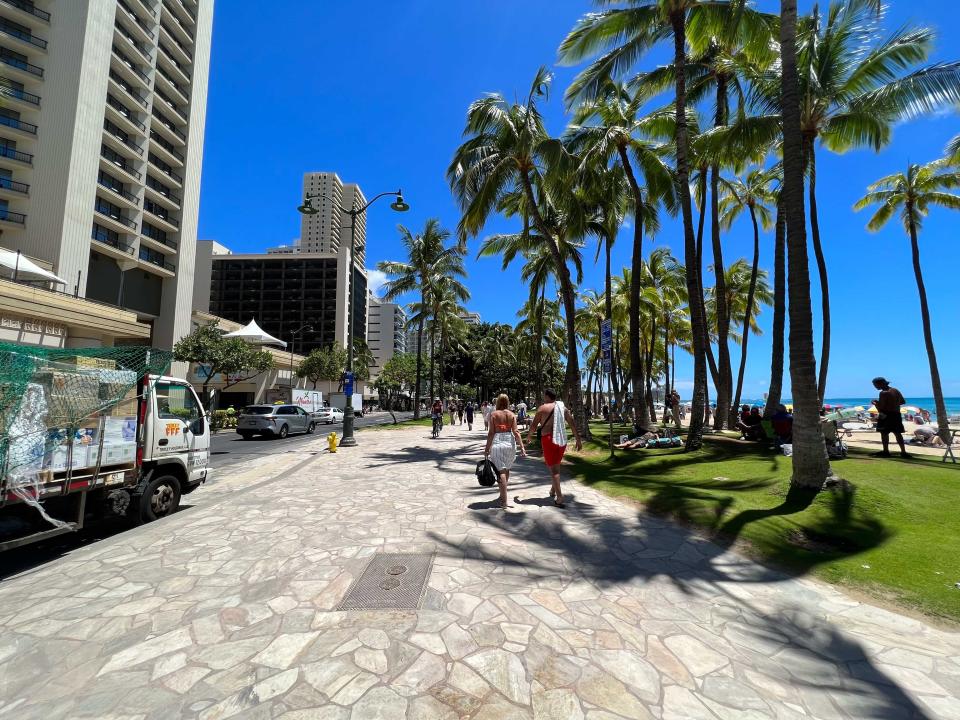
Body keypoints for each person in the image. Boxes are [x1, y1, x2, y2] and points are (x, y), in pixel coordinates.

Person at [526, 388, 583, 508]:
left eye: (544, 395)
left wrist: (529, 436)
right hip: (561, 439)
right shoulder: (563, 408)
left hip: (548, 440)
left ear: (547, 396)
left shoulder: (542, 408)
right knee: (556, 465)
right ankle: (553, 490)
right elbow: (572, 423)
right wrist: (578, 439)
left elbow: (534, 425)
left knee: (554, 470)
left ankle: (560, 497)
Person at [484, 394, 526, 509]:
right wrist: (522, 447)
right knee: (506, 469)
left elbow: (491, 433)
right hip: (510, 441)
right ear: (507, 402)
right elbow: (516, 432)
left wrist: (487, 449)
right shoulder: (512, 414)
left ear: (497, 402)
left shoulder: (494, 414)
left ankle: (504, 500)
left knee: (501, 472)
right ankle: (503, 493)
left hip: (497, 441)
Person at [872, 377, 908, 458]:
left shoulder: (883, 393)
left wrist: (876, 403)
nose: (875, 387)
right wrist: (893, 403)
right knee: (897, 433)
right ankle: (903, 452)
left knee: (884, 433)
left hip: (886, 415)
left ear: (880, 384)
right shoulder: (895, 390)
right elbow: (902, 401)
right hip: (896, 414)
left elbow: (882, 407)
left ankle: (886, 451)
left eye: (875, 385)